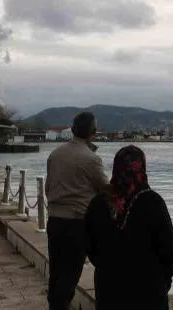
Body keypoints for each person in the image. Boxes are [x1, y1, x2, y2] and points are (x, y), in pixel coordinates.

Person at [84, 145, 173, 310]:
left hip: (109, 291)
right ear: (141, 167)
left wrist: (108, 266)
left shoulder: (98, 203)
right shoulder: (153, 202)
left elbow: (90, 246)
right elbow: (169, 253)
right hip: (149, 292)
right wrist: (163, 281)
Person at [45, 112, 109, 310]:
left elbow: (48, 188)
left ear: (73, 130)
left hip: (54, 220)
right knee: (70, 276)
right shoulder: (91, 159)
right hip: (76, 223)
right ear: (93, 131)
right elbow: (105, 189)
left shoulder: (55, 154)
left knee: (56, 273)